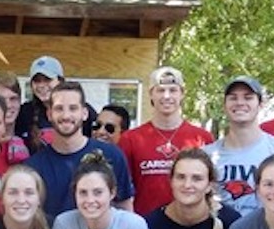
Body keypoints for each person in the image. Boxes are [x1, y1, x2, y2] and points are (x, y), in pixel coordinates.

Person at [26, 81, 134, 218]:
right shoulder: (34, 167)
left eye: (73, 108)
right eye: (59, 109)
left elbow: (125, 209)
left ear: (84, 113)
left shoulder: (112, 156)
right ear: (49, 114)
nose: (66, 116)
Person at [118, 66, 213, 216]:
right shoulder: (130, 139)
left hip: (191, 224)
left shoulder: (202, 138)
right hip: (146, 227)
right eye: (160, 90)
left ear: (182, 94)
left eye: (173, 90)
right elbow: (122, 192)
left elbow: (211, 189)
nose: (167, 96)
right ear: (151, 94)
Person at [205, 76, 274, 217]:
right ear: (224, 105)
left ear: (260, 103)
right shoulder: (207, 156)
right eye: (233, 98)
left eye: (248, 97)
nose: (240, 103)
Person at [15, 56, 97, 152]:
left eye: (47, 79)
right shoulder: (25, 112)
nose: (41, 85)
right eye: (37, 81)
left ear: (60, 80)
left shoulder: (80, 109)